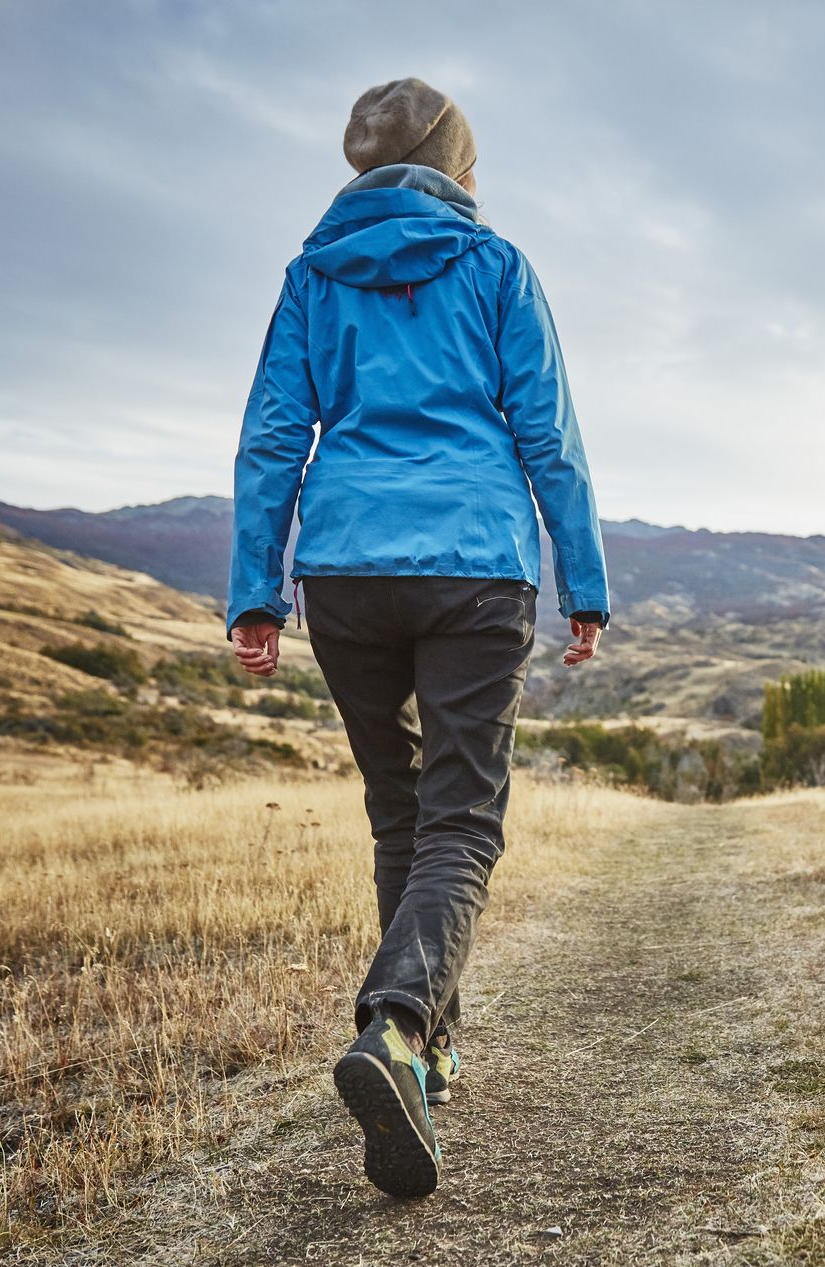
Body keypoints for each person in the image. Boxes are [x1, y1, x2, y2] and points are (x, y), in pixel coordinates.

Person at [226, 77, 610, 1198]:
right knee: (460, 819)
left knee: (400, 810)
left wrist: (256, 590)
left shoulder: (311, 278)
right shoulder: (494, 268)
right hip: (472, 566)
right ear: (459, 165)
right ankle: (396, 1027)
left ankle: (429, 1057)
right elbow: (549, 433)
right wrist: (581, 575)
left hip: (343, 569)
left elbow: (271, 438)